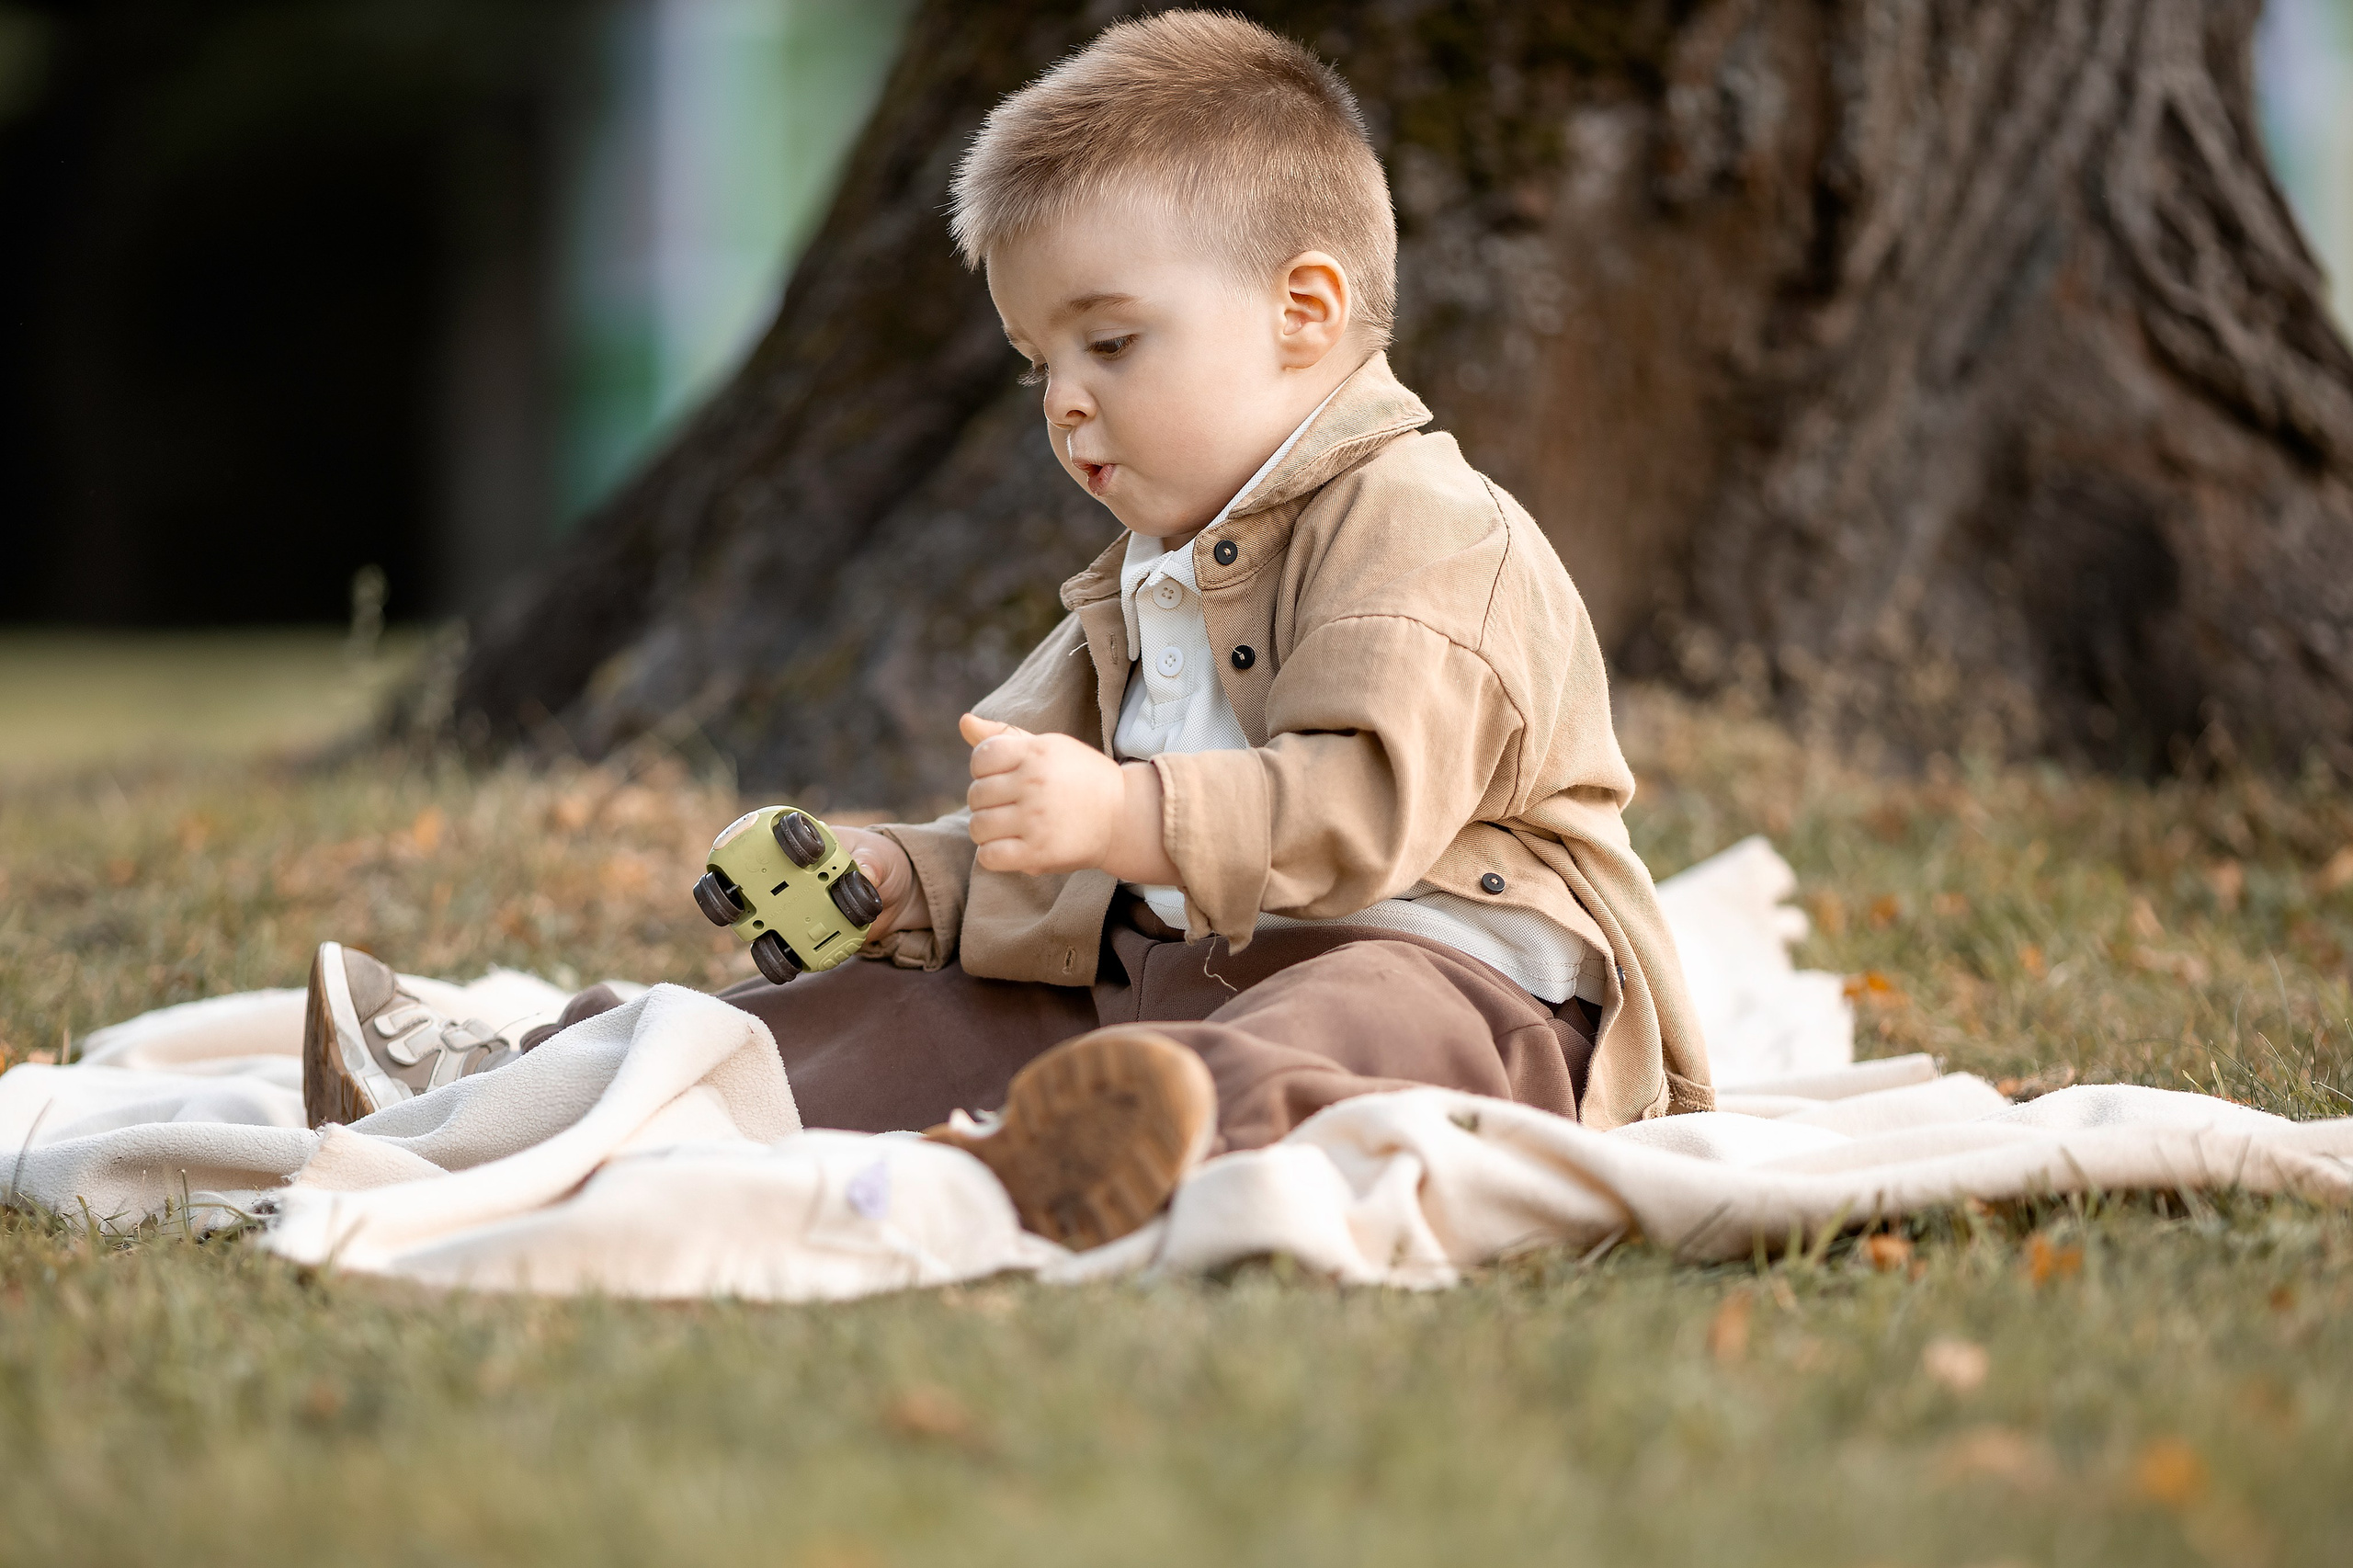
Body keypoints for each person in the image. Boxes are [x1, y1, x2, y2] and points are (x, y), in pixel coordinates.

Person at [302, 10, 1714, 1252]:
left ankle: (1098, 1149)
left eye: (1111, 343)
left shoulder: (1420, 526)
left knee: (1346, 1027)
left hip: (1470, 985)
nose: (1066, 403)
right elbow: (1057, 849)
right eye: (1041, 363)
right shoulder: (1146, 579)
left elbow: (1363, 816)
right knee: (907, 1012)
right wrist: (897, 881)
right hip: (1173, 972)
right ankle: (534, 1084)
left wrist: (1119, 812)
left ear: (1304, 311)